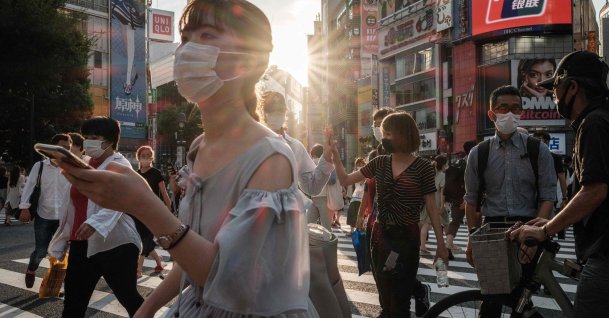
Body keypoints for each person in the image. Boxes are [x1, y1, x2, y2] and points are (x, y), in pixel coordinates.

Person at [58, 1, 317, 317]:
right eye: (186, 36)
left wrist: (143, 204)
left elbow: (233, 282)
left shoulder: (271, 158)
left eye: (206, 35)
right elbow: (198, 252)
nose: (187, 50)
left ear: (250, 59)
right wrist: (148, 306)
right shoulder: (199, 146)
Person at [510, 51, 609, 318]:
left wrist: (548, 229)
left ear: (573, 87)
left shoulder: (594, 123)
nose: (553, 95)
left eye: (555, 87)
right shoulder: (598, 119)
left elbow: (596, 190)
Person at [331, 111, 448, 318]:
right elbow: (346, 180)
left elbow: (431, 207)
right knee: (385, 300)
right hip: (379, 236)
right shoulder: (380, 162)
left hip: (407, 239)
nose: (383, 138)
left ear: (403, 134)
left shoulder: (423, 167)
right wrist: (335, 157)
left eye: (387, 134)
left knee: (400, 302)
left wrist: (441, 245)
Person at [463, 85, 557, 317]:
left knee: (522, 298)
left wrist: (536, 232)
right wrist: (472, 238)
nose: (510, 113)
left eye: (516, 108)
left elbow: (548, 196)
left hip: (528, 228)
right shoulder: (479, 153)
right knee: (491, 300)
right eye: (503, 107)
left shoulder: (538, 150)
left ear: (522, 112)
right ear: (492, 113)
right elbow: (471, 200)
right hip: (493, 230)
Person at [48, 117, 144, 317]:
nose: (88, 141)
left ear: (109, 140)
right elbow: (71, 206)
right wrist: (64, 238)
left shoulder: (119, 164)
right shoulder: (82, 163)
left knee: (129, 299)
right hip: (81, 243)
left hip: (114, 245)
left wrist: (95, 222)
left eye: (94, 137)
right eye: (86, 137)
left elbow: (119, 199)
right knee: (73, 304)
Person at [19, 134, 72, 288]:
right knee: (41, 250)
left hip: (63, 217)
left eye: (68, 148)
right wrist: (24, 208)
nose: (66, 150)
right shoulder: (40, 166)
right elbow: (29, 186)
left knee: (60, 253)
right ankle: (31, 269)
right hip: (44, 215)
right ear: (53, 148)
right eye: (63, 147)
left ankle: (55, 285)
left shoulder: (70, 167)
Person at [258, 91, 334, 197]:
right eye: (271, 110)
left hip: (286, 211)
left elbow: (312, 187)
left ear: (285, 114)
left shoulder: (295, 147)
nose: (276, 114)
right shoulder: (253, 144)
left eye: (280, 110)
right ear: (263, 113)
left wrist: (326, 156)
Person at [134, 145, 171, 277]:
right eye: (143, 156)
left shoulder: (156, 173)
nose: (146, 158)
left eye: (149, 156)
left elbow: (164, 194)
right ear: (138, 157)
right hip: (138, 213)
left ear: (152, 158)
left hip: (153, 212)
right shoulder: (136, 174)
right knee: (145, 241)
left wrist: (169, 212)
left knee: (145, 240)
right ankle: (159, 262)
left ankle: (138, 270)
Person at [532, 131, 568, 239]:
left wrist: (565, 197)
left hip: (548, 200)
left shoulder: (555, 157)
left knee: (546, 229)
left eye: (540, 140)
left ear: (547, 142)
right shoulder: (528, 157)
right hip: (530, 199)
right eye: (535, 140)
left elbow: (562, 178)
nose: (538, 142)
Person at [443, 140, 475, 252]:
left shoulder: (458, 162)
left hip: (455, 197)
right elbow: (471, 182)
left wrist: (447, 199)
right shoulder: (471, 162)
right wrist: (466, 198)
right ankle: (471, 246)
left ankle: (449, 243)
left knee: (456, 220)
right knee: (472, 221)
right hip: (466, 197)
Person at [420, 155, 449, 255]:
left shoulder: (430, 174)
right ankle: (449, 244)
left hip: (427, 202)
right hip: (436, 203)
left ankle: (422, 247)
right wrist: (442, 206)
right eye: (446, 163)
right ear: (444, 164)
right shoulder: (442, 176)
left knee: (425, 224)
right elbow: (442, 193)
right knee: (446, 222)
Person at [346, 158, 365, 235]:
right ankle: (352, 230)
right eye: (358, 164)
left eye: (361, 164)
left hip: (363, 196)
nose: (359, 166)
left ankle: (358, 230)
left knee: (359, 213)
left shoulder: (366, 173)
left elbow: (363, 181)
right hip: (355, 195)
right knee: (351, 212)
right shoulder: (355, 172)